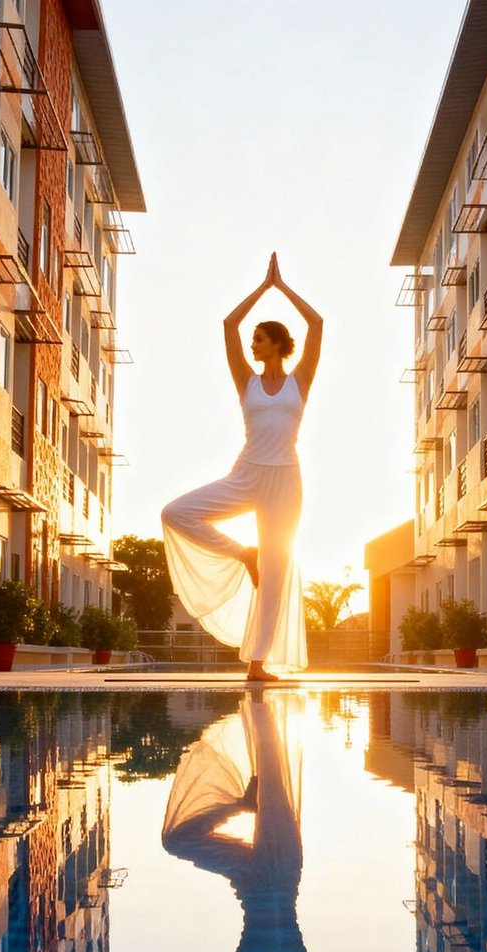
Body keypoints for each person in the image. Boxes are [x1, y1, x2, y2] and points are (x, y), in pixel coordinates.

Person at [161, 253, 322, 682]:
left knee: (276, 570)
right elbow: (229, 326)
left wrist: (284, 287)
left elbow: (318, 325)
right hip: (247, 474)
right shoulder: (246, 380)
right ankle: (241, 553)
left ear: (277, 343)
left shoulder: (299, 381)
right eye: (253, 340)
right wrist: (263, 287)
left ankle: (257, 664)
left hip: (286, 480)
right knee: (175, 513)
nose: (253, 344)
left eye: (260, 339)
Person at [161, 691, 323, 952]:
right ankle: (261, 704)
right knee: (273, 774)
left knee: (176, 840)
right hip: (283, 868)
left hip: (251, 877)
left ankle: (240, 802)